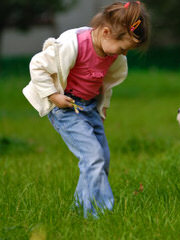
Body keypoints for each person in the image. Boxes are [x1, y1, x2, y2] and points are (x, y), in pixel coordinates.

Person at [22, 1, 150, 218]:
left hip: (89, 107)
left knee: (102, 158)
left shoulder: (111, 55)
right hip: (66, 108)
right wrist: (53, 96)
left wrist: (102, 106)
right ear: (107, 32)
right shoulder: (74, 44)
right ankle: (99, 211)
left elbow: (103, 82)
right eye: (123, 48)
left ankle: (81, 207)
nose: (124, 54)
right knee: (93, 157)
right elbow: (37, 65)